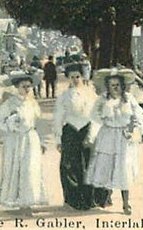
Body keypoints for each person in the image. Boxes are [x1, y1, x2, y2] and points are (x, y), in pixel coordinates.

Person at [85, 69, 143, 215]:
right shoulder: (102, 99)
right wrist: (103, 122)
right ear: (108, 86)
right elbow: (93, 115)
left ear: (122, 85)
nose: (115, 88)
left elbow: (138, 116)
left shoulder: (129, 99)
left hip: (123, 137)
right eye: (112, 85)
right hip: (108, 135)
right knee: (106, 166)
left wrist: (134, 130)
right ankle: (105, 197)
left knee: (123, 168)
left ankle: (126, 203)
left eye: (118, 85)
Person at [0, 71, 48, 214]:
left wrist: (41, 142)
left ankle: (27, 202)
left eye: (29, 87)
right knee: (16, 169)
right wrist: (10, 125)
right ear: (17, 87)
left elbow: (36, 124)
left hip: (31, 139)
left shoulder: (32, 103)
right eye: (24, 86)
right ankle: (18, 203)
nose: (27, 89)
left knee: (29, 169)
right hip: (15, 140)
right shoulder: (10, 103)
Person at [53, 62, 98, 210]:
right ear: (68, 78)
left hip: (87, 129)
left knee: (87, 165)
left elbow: (96, 116)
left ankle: (88, 199)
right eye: (71, 77)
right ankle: (72, 199)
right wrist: (58, 139)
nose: (75, 79)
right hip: (71, 130)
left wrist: (92, 135)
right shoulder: (64, 96)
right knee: (69, 165)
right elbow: (58, 117)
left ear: (82, 76)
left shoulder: (90, 94)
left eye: (77, 76)